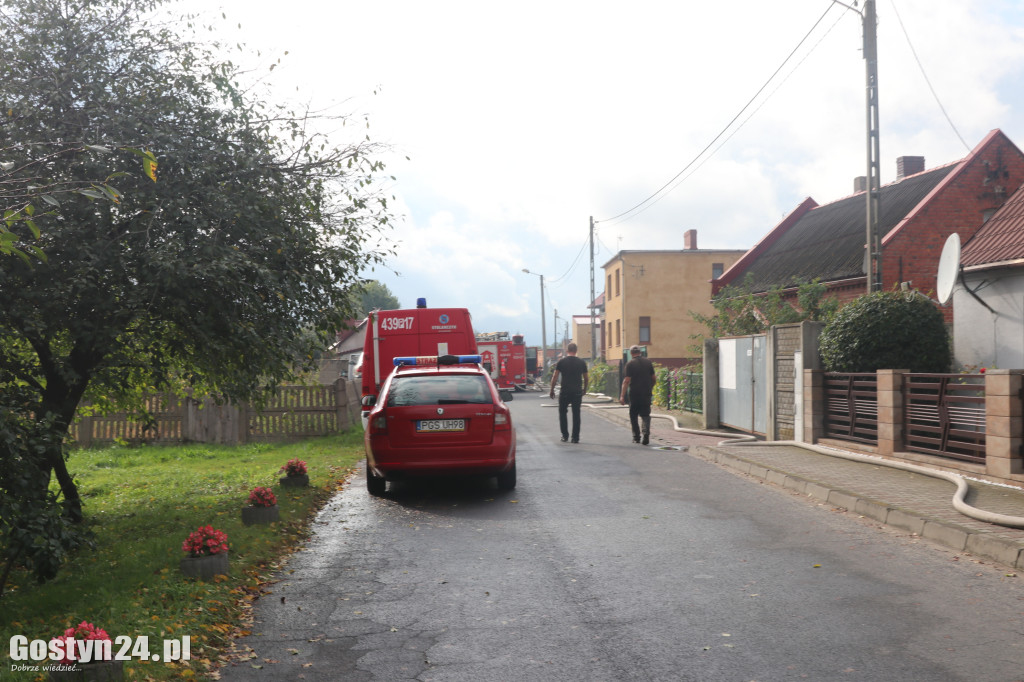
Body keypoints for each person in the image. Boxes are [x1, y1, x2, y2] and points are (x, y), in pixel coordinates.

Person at [549, 343, 589, 443]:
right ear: (576, 351)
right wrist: (585, 389)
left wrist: (552, 390)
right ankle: (575, 438)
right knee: (576, 414)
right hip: (577, 392)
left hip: (565, 391)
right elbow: (586, 378)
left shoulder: (561, 362)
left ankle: (564, 435)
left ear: (567, 351)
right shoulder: (581, 362)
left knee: (562, 413)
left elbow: (555, 377)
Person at [620, 344, 655, 445]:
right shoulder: (648, 362)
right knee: (645, 415)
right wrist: (650, 387)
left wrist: (622, 396)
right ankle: (646, 433)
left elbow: (626, 381)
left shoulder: (630, 364)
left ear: (631, 353)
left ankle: (636, 437)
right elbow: (654, 378)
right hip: (646, 393)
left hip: (635, 393)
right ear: (640, 352)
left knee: (633, 415)